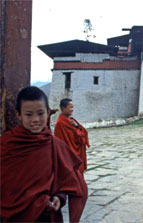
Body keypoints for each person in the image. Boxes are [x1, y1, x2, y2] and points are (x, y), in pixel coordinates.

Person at [0, 86, 87, 222]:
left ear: (47, 112)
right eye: (28, 114)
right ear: (18, 114)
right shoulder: (6, 144)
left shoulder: (55, 145)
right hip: (13, 216)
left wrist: (60, 197)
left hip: (45, 215)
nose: (35, 119)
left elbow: (65, 179)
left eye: (40, 113)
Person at [54, 98, 90, 174]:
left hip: (77, 153)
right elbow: (60, 145)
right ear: (63, 108)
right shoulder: (60, 124)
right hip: (70, 156)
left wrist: (77, 126)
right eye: (70, 107)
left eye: (72, 107)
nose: (72, 109)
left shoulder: (72, 120)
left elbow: (84, 133)